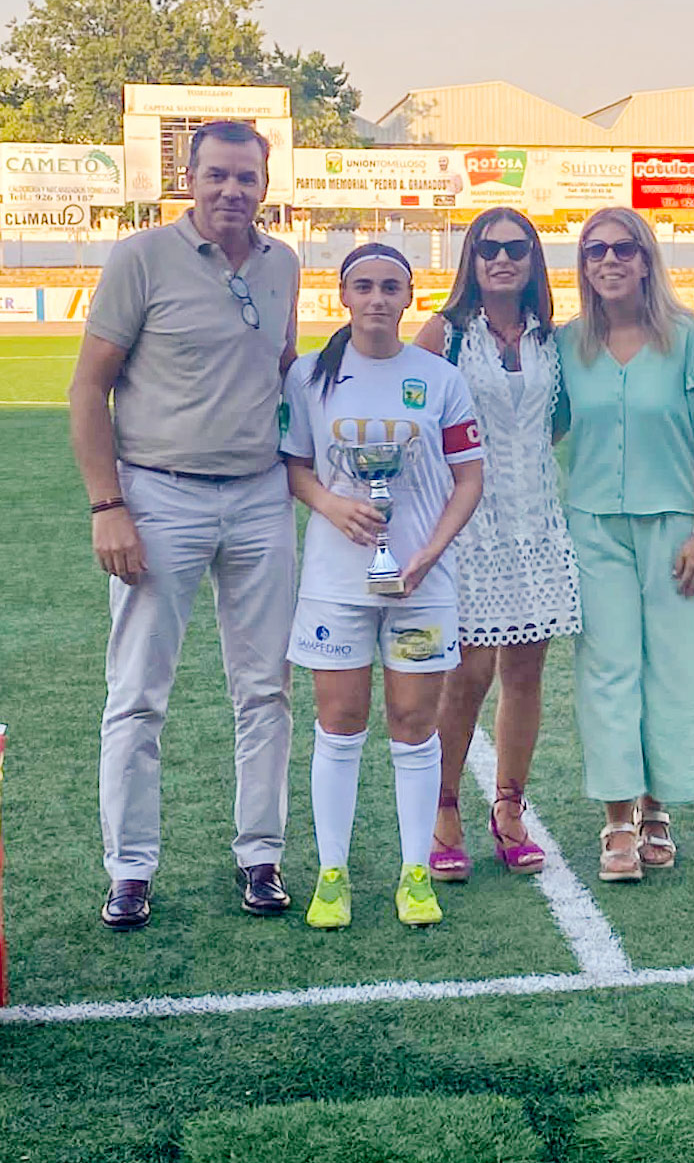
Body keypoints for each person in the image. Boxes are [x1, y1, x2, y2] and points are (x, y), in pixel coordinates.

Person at [68, 119, 301, 931]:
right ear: (189, 179)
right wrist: (110, 505)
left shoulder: (285, 266)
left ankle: (260, 855)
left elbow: (282, 371)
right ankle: (130, 868)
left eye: (246, 177)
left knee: (266, 688)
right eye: (217, 176)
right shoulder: (141, 258)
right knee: (138, 694)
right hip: (159, 494)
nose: (232, 190)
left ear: (265, 184)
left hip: (258, 495)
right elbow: (87, 389)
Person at [281, 244, 485, 929]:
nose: (375, 298)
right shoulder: (311, 375)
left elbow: (469, 478)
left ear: (408, 297)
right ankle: (332, 873)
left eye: (389, 287)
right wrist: (333, 507)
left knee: (413, 724)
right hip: (336, 583)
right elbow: (296, 467)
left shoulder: (439, 377)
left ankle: (413, 872)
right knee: (338, 723)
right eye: (362, 285)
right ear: (341, 294)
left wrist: (427, 554)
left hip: (421, 585)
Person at [556, 207, 694, 882]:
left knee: (675, 668)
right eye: (596, 250)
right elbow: (544, 426)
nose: (609, 260)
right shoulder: (567, 345)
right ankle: (618, 819)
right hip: (593, 528)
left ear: (645, 259)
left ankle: (659, 806)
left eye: (623, 249)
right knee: (607, 672)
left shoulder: (691, 341)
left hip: (676, 529)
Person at [413, 209, 580, 883]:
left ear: (534, 259)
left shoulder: (553, 340)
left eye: (516, 248)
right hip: (471, 529)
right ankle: (444, 806)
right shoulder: (446, 334)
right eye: (489, 249)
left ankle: (509, 808)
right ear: (472, 260)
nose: (503, 259)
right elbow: (412, 414)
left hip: (537, 525)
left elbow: (557, 422)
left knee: (526, 675)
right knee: (468, 675)